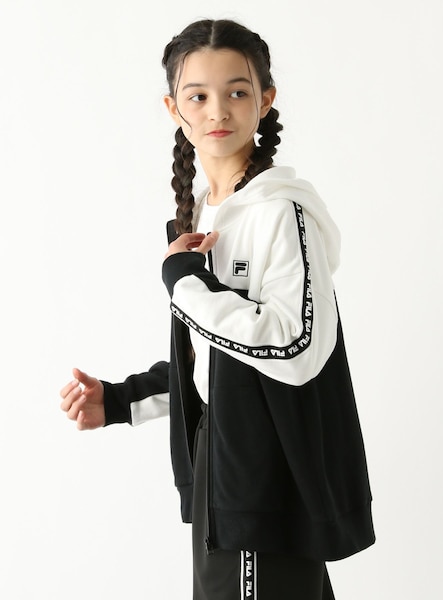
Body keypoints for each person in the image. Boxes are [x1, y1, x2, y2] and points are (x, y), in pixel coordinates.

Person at [60, 18, 375, 600]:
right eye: (198, 96)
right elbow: (219, 364)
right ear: (173, 108)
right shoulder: (204, 213)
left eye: (236, 91)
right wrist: (123, 400)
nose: (218, 111)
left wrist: (185, 283)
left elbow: (294, 347)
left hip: (264, 476)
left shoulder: (282, 214)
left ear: (265, 100)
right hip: (223, 468)